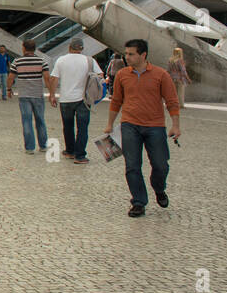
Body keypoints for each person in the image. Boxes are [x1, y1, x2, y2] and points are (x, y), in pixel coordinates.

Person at [104, 39, 180, 218]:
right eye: (126, 53)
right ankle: (138, 202)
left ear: (143, 55)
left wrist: (175, 125)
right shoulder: (122, 75)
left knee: (161, 165)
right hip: (130, 125)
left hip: (155, 126)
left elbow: (172, 101)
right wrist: (110, 123)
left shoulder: (161, 75)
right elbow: (116, 101)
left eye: (131, 54)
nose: (127, 57)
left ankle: (159, 188)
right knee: (132, 166)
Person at [50, 38, 102, 165]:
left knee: (68, 126)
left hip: (66, 99)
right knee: (82, 128)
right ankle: (80, 155)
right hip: (84, 99)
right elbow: (100, 76)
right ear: (82, 48)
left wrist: (52, 95)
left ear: (69, 47)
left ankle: (70, 150)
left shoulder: (61, 60)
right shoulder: (89, 60)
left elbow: (54, 78)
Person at [9, 38, 55, 154]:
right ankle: (43, 145)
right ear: (34, 49)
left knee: (26, 121)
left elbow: (11, 77)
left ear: (24, 48)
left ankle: (30, 148)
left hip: (24, 95)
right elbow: (47, 78)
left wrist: (9, 89)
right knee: (40, 120)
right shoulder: (41, 61)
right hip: (38, 95)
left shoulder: (17, 61)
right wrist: (51, 93)